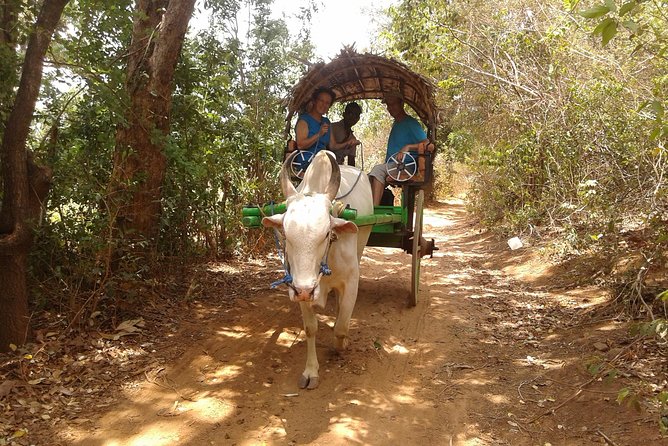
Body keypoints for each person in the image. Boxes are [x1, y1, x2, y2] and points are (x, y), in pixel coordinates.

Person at [368, 92, 432, 206]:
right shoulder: (397, 123)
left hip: (405, 166)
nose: (390, 108)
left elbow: (427, 144)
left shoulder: (410, 123)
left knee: (377, 170)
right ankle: (369, 206)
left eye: (393, 104)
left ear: (401, 104)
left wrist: (408, 147)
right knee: (367, 178)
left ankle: (374, 209)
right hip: (393, 165)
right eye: (388, 105)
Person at [330, 102, 362, 166]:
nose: (352, 117)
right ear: (344, 114)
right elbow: (329, 147)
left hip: (339, 168)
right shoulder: (333, 127)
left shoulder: (353, 139)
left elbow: (351, 161)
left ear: (358, 119)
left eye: (356, 115)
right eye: (350, 113)